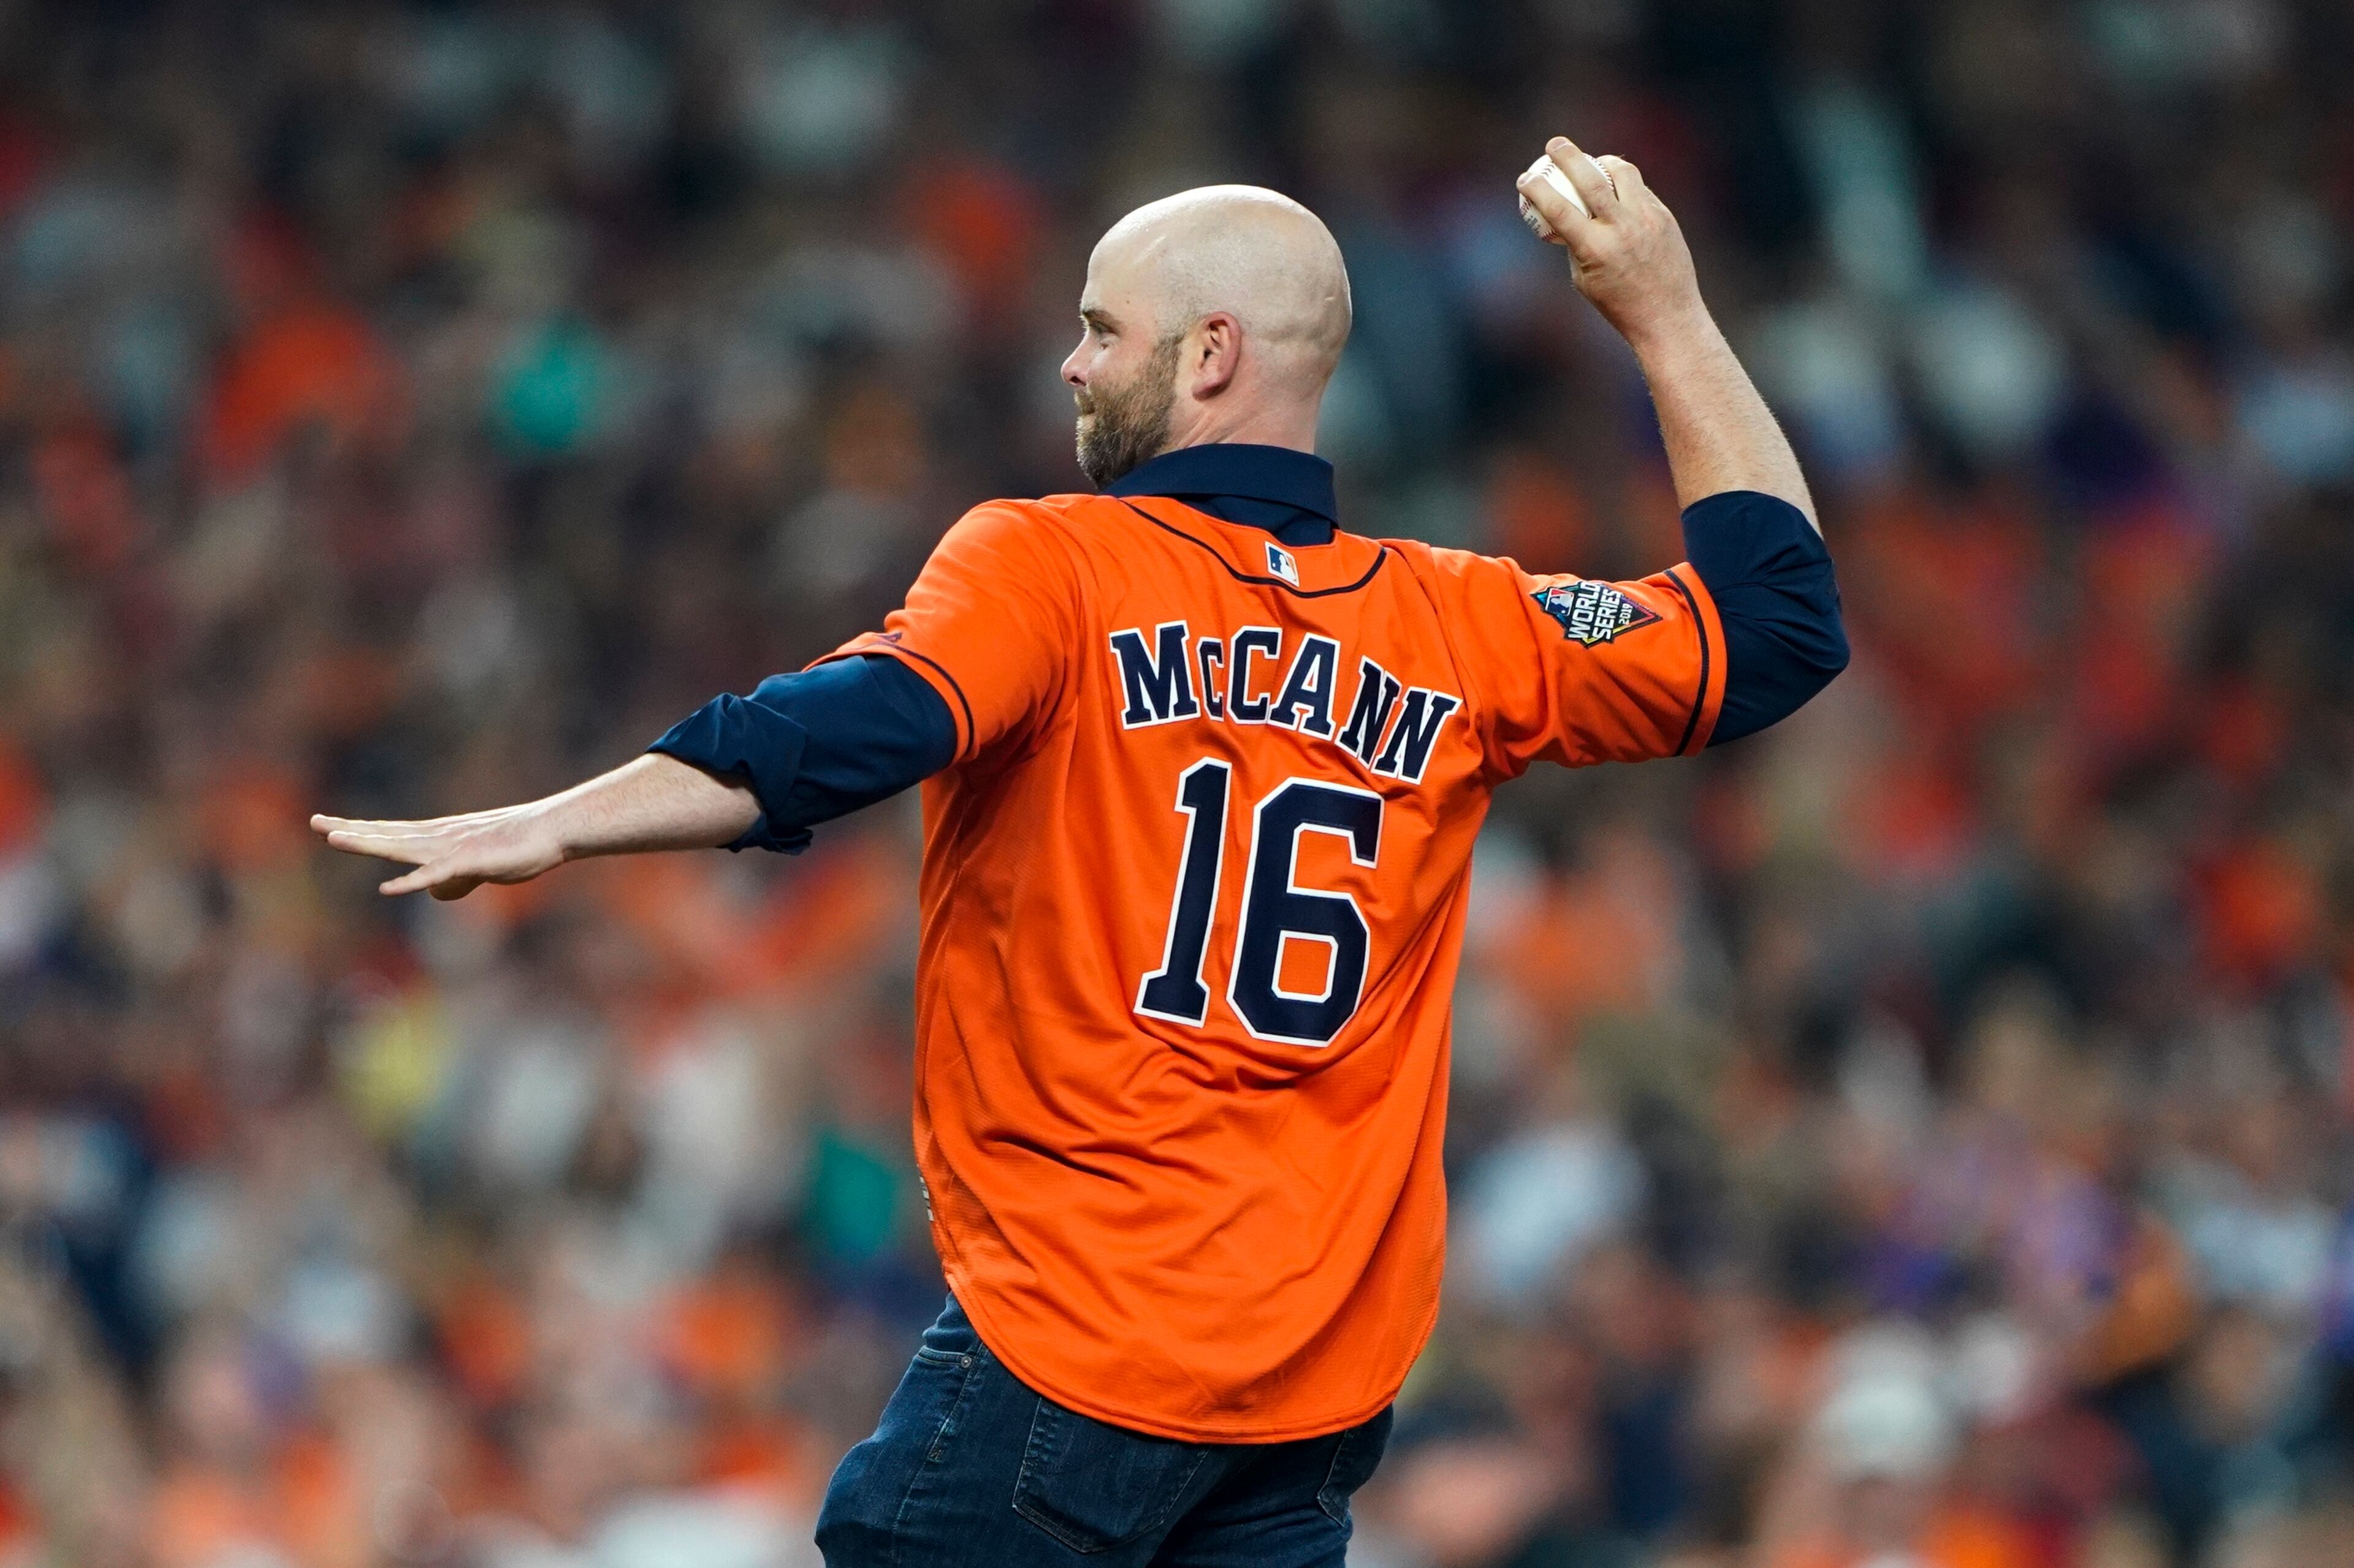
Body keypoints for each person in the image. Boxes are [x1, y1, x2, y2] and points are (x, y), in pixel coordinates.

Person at [312, 137, 1848, 1567]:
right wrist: (1664, 310)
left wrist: (562, 819)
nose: (1073, 361)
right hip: (1307, 1396)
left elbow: (846, 726)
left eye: (1103, 330)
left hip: (1077, 1350)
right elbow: (1775, 625)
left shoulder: (1051, 561)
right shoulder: (1465, 623)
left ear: (1211, 354)